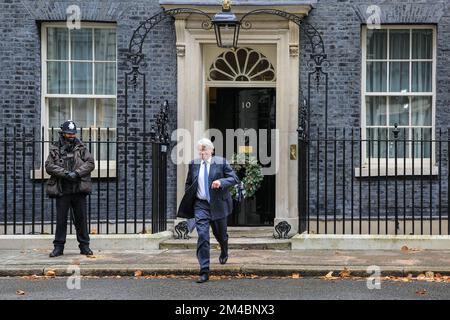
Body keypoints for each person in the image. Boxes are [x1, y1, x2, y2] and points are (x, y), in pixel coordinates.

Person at [177, 138, 239, 283]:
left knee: (221, 235)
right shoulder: (194, 164)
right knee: (203, 236)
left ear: (211, 151)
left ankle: (224, 249)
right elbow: (189, 183)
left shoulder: (221, 162)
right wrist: (190, 197)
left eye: (204, 150)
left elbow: (234, 178)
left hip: (218, 205)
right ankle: (204, 270)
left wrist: (221, 182)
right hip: (201, 205)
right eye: (200, 150)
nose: (202, 153)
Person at [45, 120, 95, 257]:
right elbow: (49, 166)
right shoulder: (55, 148)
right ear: (63, 133)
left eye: (73, 134)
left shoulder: (82, 147)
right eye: (68, 134)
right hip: (62, 189)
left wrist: (77, 173)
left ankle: (84, 246)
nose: (71, 136)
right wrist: (66, 173)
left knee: (81, 219)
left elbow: (90, 163)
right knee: (61, 220)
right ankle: (58, 248)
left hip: (79, 189)